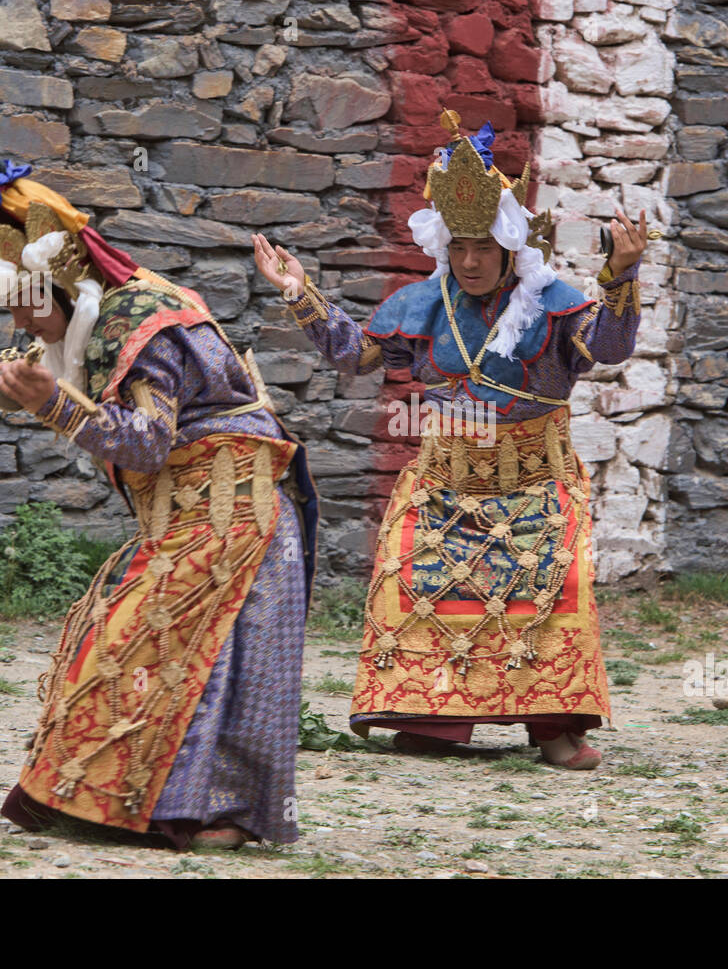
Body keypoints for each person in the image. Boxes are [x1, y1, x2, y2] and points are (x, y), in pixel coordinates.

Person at [0, 123, 319, 849]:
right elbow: (119, 426)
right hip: (192, 510)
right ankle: (119, 800)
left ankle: (208, 813)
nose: (17, 321)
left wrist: (51, 402)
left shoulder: (145, 322)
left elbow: (145, 440)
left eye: (22, 303)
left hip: (238, 509)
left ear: (62, 283)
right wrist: (34, 394)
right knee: (129, 643)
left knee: (199, 660)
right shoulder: (103, 318)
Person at [251, 111, 650, 769]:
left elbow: (608, 347)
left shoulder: (552, 301)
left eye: (483, 249)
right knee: (406, 572)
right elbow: (356, 357)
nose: (469, 261)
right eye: (458, 246)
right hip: (443, 483)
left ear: (509, 248)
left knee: (553, 587)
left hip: (531, 489)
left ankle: (552, 726)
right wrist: (301, 295)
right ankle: (431, 719)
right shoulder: (422, 303)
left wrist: (622, 278)